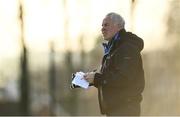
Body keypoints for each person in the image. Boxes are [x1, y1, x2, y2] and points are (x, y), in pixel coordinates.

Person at [83, 12, 145, 116]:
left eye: (106, 25)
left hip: (125, 110)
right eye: (102, 26)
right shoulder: (113, 49)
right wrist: (92, 80)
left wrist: (98, 78)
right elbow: (112, 80)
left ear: (118, 26)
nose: (102, 29)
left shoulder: (127, 48)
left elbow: (124, 78)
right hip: (115, 110)